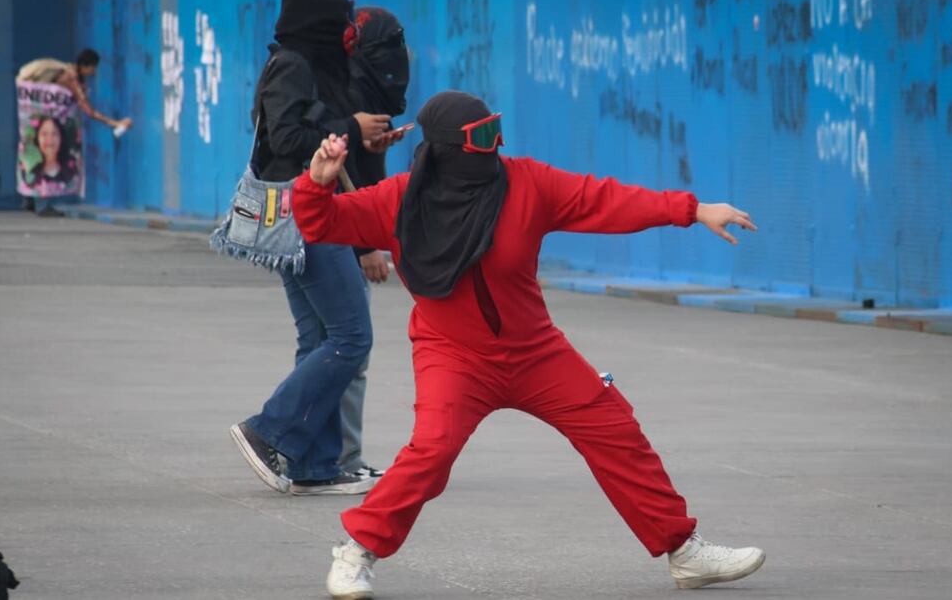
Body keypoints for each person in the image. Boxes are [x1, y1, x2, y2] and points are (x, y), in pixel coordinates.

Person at [290, 91, 766, 598]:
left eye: (496, 129)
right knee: (432, 451)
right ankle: (358, 550)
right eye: (482, 137)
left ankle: (684, 552)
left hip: (534, 350)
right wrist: (316, 183)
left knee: (614, 427)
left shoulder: (527, 183)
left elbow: (605, 199)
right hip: (451, 353)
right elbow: (321, 223)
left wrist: (693, 209)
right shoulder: (400, 199)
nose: (496, 145)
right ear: (449, 148)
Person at [228, 0, 405, 497]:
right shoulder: (293, 65)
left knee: (319, 339)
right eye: (341, 23)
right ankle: (268, 430)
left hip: (309, 212)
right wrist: (350, 126)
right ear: (320, 25)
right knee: (352, 337)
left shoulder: (309, 66)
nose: (348, 34)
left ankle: (315, 464)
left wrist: (363, 138)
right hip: (305, 216)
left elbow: (316, 132)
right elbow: (287, 138)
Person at [335, 5, 411, 475]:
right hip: (343, 235)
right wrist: (367, 246)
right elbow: (345, 171)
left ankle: (320, 455)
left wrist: (375, 144)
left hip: (337, 230)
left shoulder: (349, 84)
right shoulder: (350, 91)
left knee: (326, 345)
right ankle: (342, 458)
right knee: (348, 347)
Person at [16, 48, 131, 216]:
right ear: (86, 66)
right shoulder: (72, 78)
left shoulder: (66, 71)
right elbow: (90, 111)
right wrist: (115, 123)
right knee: (48, 157)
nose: (94, 72)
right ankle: (42, 205)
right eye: (93, 68)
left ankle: (29, 200)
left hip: (38, 120)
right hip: (50, 122)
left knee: (36, 153)